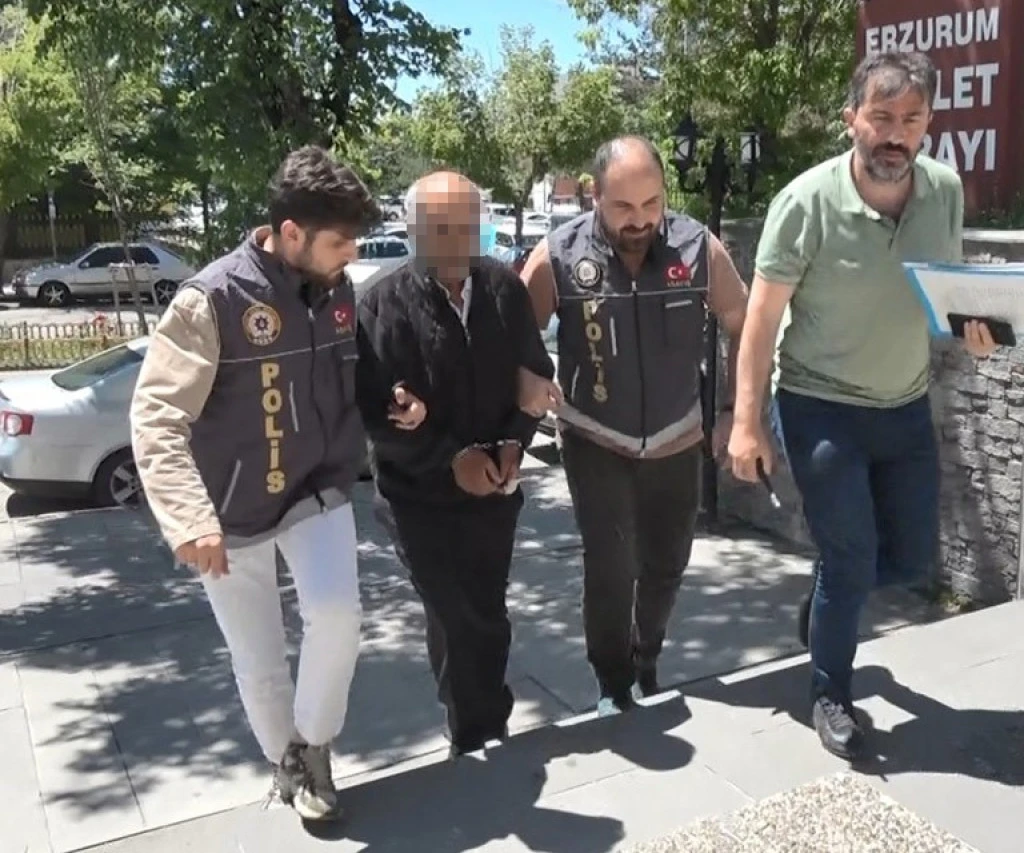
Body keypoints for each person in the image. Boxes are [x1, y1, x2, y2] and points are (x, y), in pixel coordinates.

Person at [728, 51, 997, 760]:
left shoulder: (943, 191)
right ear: (851, 119)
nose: (895, 134)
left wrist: (975, 331)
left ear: (929, 123)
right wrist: (747, 421)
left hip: (904, 403)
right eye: (881, 117)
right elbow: (760, 320)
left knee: (907, 561)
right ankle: (829, 693)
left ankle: (826, 601)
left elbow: (945, 294)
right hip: (818, 403)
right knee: (851, 555)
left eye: (911, 119)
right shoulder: (805, 203)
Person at [130, 146, 401, 822]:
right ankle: (288, 762)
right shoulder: (212, 300)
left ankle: (314, 745)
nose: (352, 254)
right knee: (258, 658)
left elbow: (351, 372)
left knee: (337, 615)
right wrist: (190, 518)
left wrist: (389, 400)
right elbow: (156, 414)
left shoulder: (337, 289)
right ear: (289, 233)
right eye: (339, 241)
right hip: (228, 507)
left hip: (316, 487)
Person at [520, 136, 748, 716]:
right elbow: (515, 333)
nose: (641, 220)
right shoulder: (558, 255)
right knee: (611, 567)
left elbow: (742, 322)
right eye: (624, 207)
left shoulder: (697, 248)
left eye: (652, 204)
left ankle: (646, 658)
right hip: (596, 437)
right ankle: (613, 683)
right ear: (595, 196)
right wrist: (528, 379)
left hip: (678, 437)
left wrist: (733, 410)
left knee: (667, 565)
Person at [356, 171, 555, 757]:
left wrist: (516, 441)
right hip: (418, 499)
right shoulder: (381, 306)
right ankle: (476, 734)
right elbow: (373, 421)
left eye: (467, 226)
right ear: (412, 229)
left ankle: (483, 724)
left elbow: (532, 378)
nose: (456, 241)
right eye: (440, 228)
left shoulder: (504, 290)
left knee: (486, 614)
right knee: (454, 613)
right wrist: (450, 459)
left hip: (494, 492)